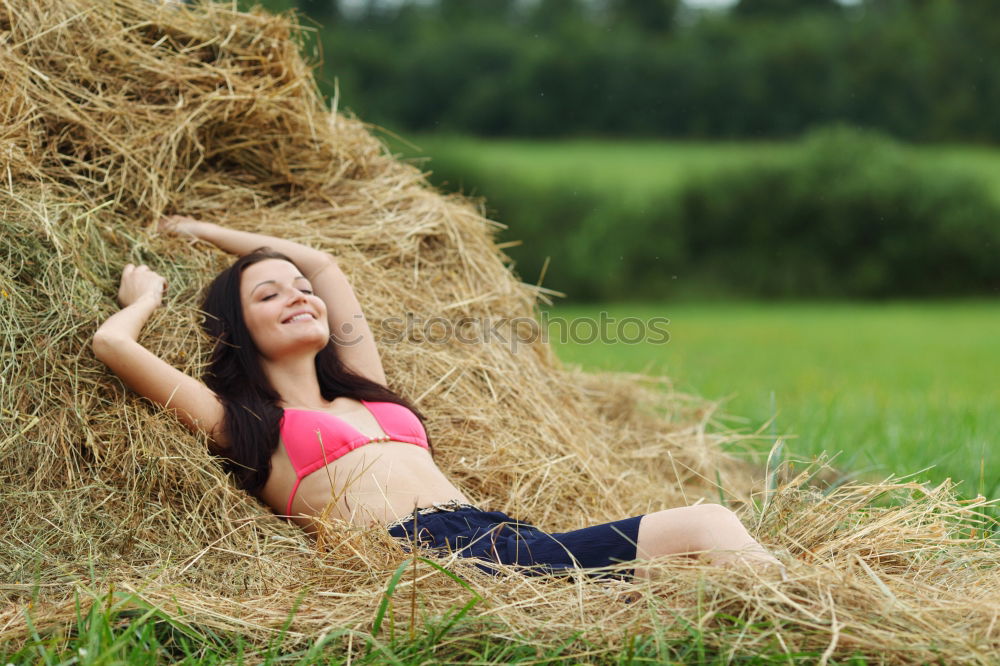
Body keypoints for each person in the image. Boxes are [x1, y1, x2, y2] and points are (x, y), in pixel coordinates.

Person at [92, 215, 782, 579]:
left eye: (297, 289)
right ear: (241, 330)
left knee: (701, 556)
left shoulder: (366, 389)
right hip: (426, 558)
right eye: (267, 295)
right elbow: (115, 348)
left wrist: (206, 232)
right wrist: (147, 296)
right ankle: (818, 616)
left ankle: (803, 616)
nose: (298, 295)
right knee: (708, 526)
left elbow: (325, 264)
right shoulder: (248, 423)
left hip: (495, 535)